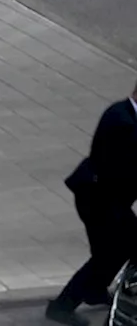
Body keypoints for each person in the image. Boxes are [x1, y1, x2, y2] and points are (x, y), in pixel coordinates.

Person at [46, 89, 138, 325]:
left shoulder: (124, 113)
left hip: (105, 196)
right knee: (108, 253)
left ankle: (95, 289)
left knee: (116, 248)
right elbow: (126, 169)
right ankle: (61, 306)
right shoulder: (123, 121)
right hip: (99, 198)